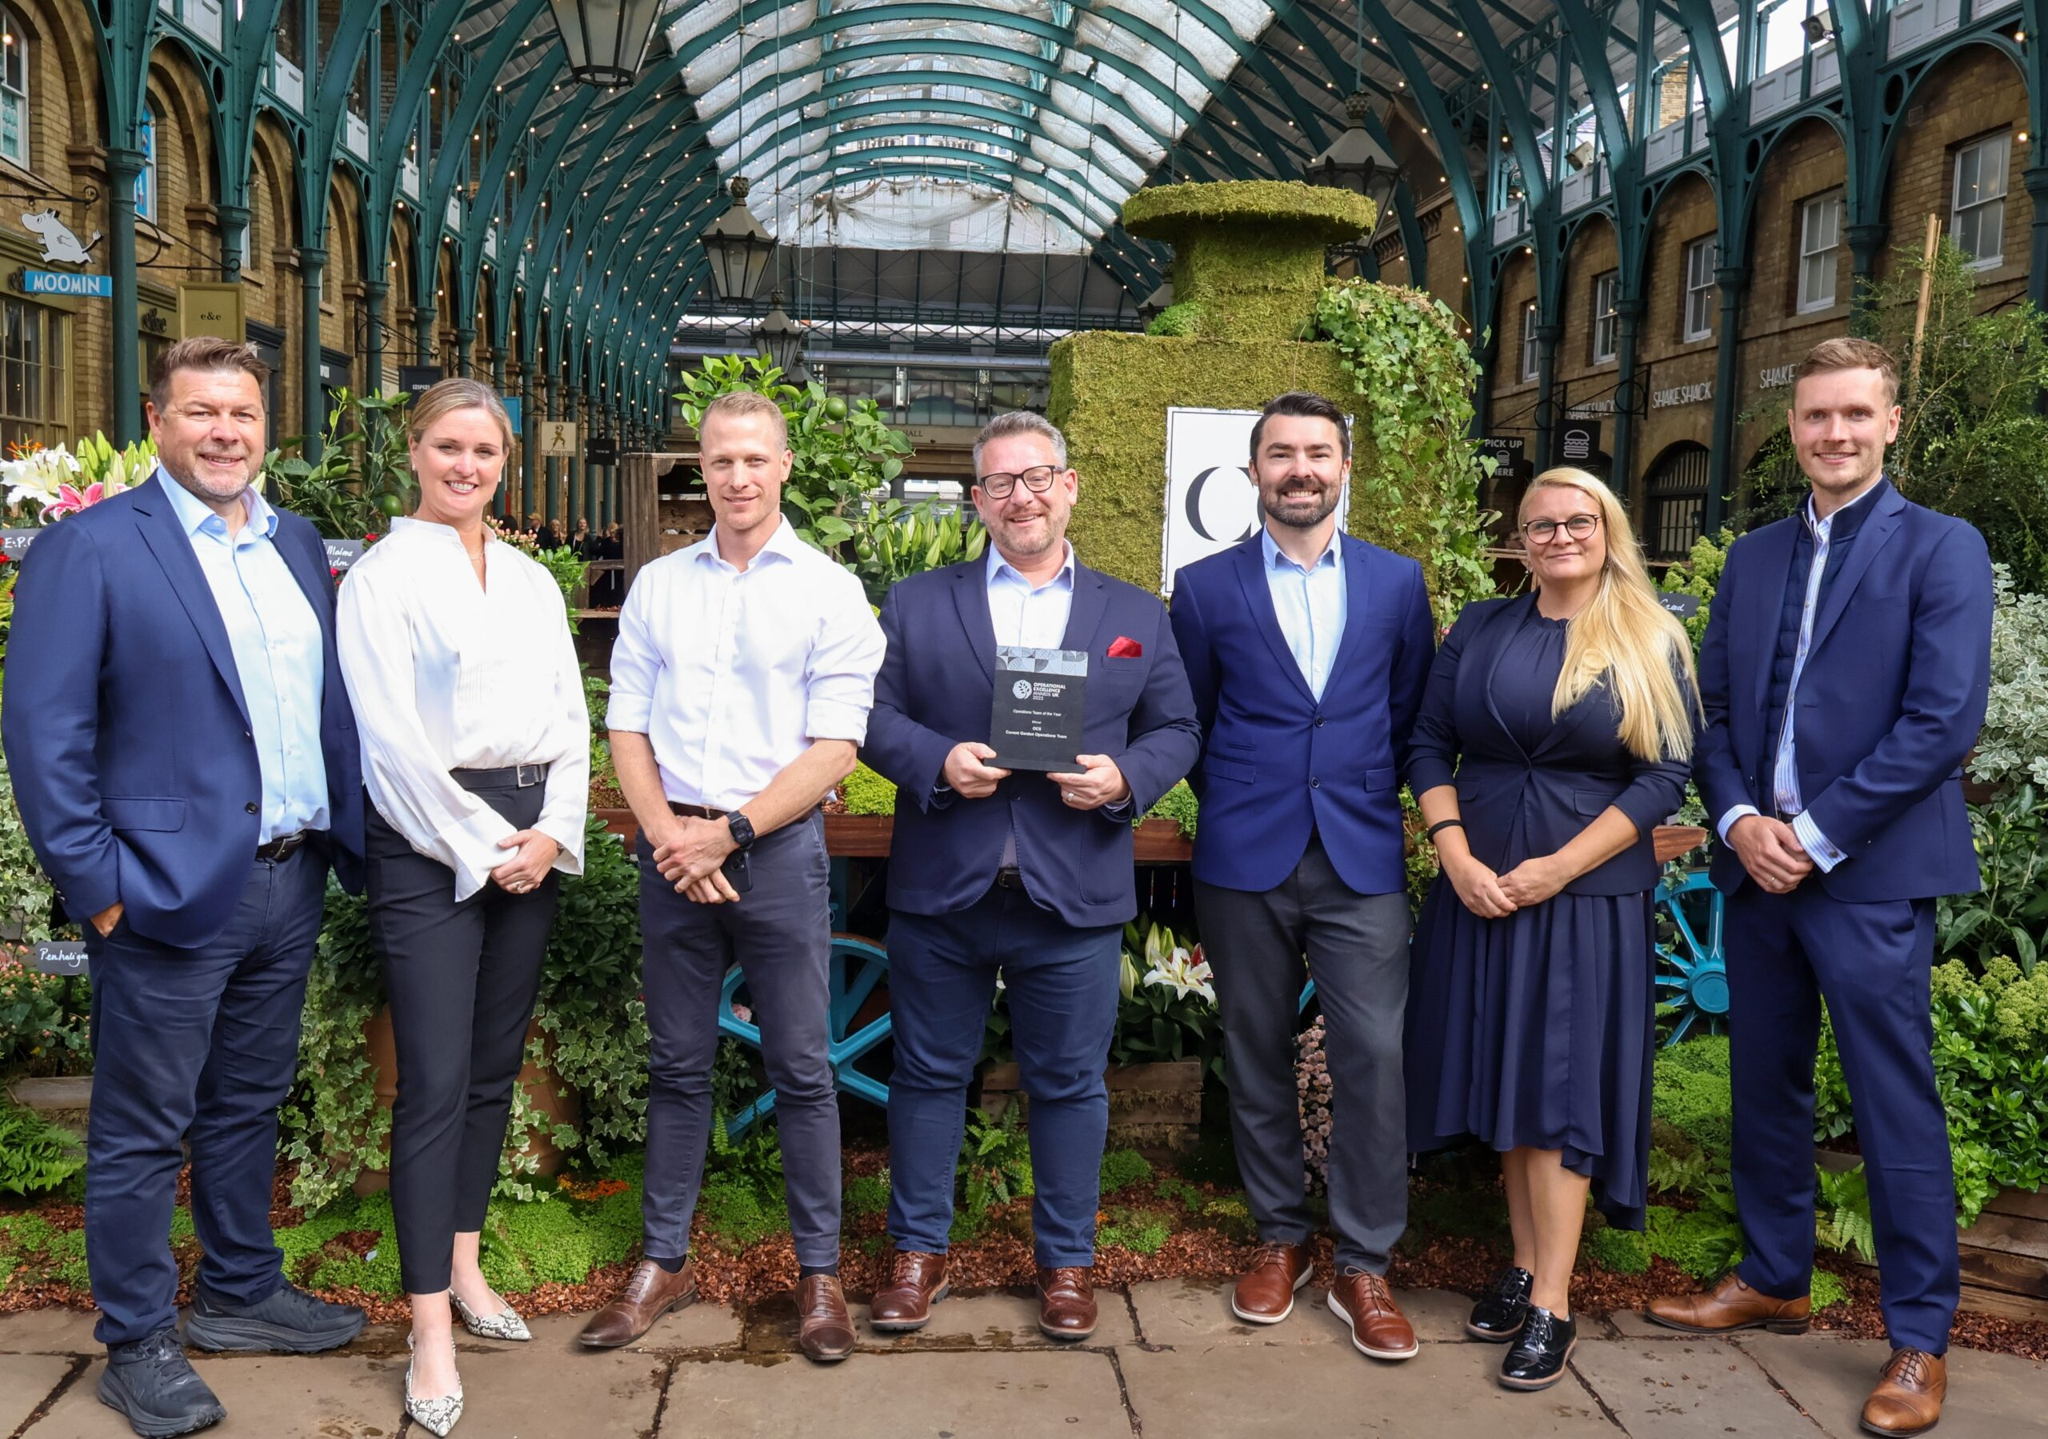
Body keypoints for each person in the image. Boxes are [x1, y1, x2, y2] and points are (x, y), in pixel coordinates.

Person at [0, 337, 368, 1437]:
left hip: (288, 877)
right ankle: (137, 1337)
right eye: (201, 411)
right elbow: (44, 735)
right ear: (157, 419)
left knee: (246, 1101)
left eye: (244, 415)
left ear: (267, 430)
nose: (224, 432)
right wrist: (99, 889)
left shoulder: (298, 543)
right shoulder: (93, 548)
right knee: (140, 1128)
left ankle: (240, 1290)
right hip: (160, 893)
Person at [1647, 338, 1993, 1436]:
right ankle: (1771, 1272)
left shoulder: (1938, 548)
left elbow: (1942, 720)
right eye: (1812, 417)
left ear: (1889, 422)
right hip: (1755, 872)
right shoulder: (1747, 559)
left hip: (1869, 873)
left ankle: (1917, 1333)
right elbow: (1706, 712)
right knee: (1765, 1083)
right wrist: (1743, 819)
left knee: (1892, 1098)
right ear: (1789, 429)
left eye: (1853, 413)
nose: (1832, 433)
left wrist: (1817, 830)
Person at [862, 411, 1200, 1341]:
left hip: (1074, 886)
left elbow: (1178, 728)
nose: (1024, 496)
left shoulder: (1135, 614)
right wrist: (936, 761)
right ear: (978, 501)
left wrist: (1126, 778)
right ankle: (917, 1255)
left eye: (1040, 476)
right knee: (929, 1076)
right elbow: (872, 715)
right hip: (945, 881)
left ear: (1071, 484)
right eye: (1003, 482)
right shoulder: (917, 602)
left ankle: (1065, 1265)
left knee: (1070, 1083)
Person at [580, 390, 884, 1363]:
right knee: (676, 1063)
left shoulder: (829, 590)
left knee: (800, 1064)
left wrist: (732, 831)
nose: (737, 476)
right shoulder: (662, 585)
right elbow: (625, 722)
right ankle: (660, 1260)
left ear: (784, 464)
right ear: (698, 467)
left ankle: (820, 1271)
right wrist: (674, 833)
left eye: (755, 458)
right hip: (672, 849)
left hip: (776, 850)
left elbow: (837, 747)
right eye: (719, 460)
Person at [1407, 467, 1697, 1390]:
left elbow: (1664, 779)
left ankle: (1555, 1305)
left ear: (1608, 528)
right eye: (1540, 525)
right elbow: (1424, 743)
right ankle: (1526, 1262)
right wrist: (1454, 854)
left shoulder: (1650, 636)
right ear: (1520, 540)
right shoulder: (1482, 629)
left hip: (1581, 896)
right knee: (1506, 1079)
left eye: (1578, 520)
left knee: (1559, 1094)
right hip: (1482, 884)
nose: (1559, 536)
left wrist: (1561, 867)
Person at [336, 380, 589, 1435]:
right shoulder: (380, 577)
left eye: (484, 449)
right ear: (415, 449)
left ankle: (468, 1263)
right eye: (448, 445)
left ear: (504, 460)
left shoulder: (529, 577)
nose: (466, 464)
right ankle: (426, 1321)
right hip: (433, 840)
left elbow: (572, 711)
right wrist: (485, 847)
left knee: (491, 1068)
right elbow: (387, 742)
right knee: (434, 1081)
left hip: (527, 837)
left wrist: (552, 834)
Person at [1166, 391, 1436, 1361]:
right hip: (1245, 853)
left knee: (1372, 1054)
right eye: (1279, 453)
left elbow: (1411, 712)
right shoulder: (1201, 588)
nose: (1299, 469)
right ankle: (1278, 1237)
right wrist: (1245, 792)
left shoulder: (1397, 584)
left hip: (1359, 852)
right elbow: (1188, 720)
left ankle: (1363, 1261)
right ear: (1252, 472)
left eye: (1316, 452)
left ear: (1342, 465)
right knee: (1255, 1053)